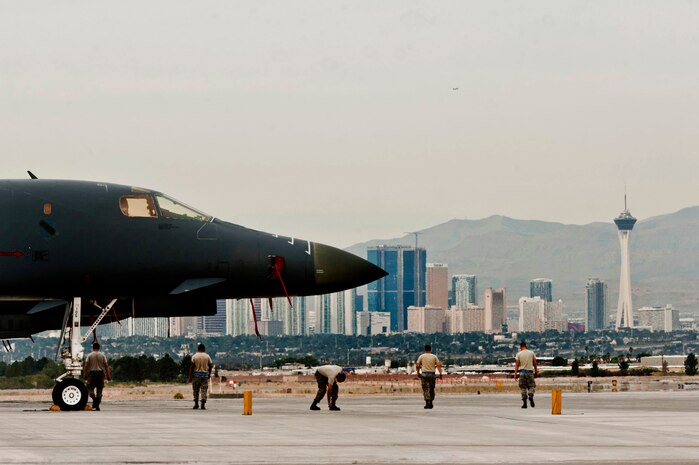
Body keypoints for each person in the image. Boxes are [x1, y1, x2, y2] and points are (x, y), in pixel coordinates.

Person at [83, 342, 111, 411]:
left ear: (93, 348)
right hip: (100, 374)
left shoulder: (89, 355)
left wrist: (85, 375)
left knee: (89, 388)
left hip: (92, 374)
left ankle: (94, 399)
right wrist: (108, 375)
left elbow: (86, 366)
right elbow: (106, 366)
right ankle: (97, 405)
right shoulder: (102, 355)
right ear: (99, 348)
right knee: (99, 391)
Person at [415, 344, 443, 409]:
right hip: (432, 374)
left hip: (424, 374)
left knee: (425, 389)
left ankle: (427, 402)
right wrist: (440, 373)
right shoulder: (434, 357)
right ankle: (431, 401)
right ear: (430, 349)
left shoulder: (421, 356)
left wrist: (418, 373)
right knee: (431, 388)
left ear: (424, 349)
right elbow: (438, 365)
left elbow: (417, 365)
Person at [188, 343, 213, 410]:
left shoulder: (194, 356)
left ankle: (196, 404)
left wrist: (190, 377)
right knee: (204, 390)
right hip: (205, 375)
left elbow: (192, 367)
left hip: (196, 375)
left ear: (198, 349)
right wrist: (209, 374)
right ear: (204, 349)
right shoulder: (207, 356)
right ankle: (203, 403)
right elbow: (210, 366)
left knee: (196, 390)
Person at [515, 341, 538, 409]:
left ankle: (524, 403)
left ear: (520, 347)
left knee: (523, 388)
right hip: (530, 372)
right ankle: (530, 395)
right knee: (531, 386)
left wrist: (515, 374)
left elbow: (517, 365)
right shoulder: (531, 353)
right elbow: (534, 363)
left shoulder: (518, 354)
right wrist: (536, 372)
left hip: (522, 372)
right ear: (526, 346)